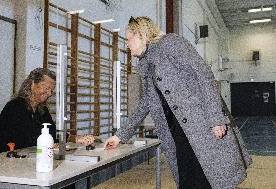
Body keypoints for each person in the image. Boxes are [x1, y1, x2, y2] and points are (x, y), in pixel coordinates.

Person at [104, 16, 252, 189]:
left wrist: (216, 118)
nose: (127, 44)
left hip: (202, 128)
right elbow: (146, 102)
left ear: (140, 35)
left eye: (129, 39)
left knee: (209, 179)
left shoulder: (171, 43)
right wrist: (120, 135)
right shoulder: (145, 64)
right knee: (191, 181)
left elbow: (203, 74)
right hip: (177, 134)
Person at [0, 68, 94, 154]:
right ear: (32, 85)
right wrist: (50, 145)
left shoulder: (42, 109)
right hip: (5, 160)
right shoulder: (15, 107)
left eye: (51, 90)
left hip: (28, 158)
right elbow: (28, 141)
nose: (49, 93)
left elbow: (52, 133)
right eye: (46, 88)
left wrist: (74, 138)